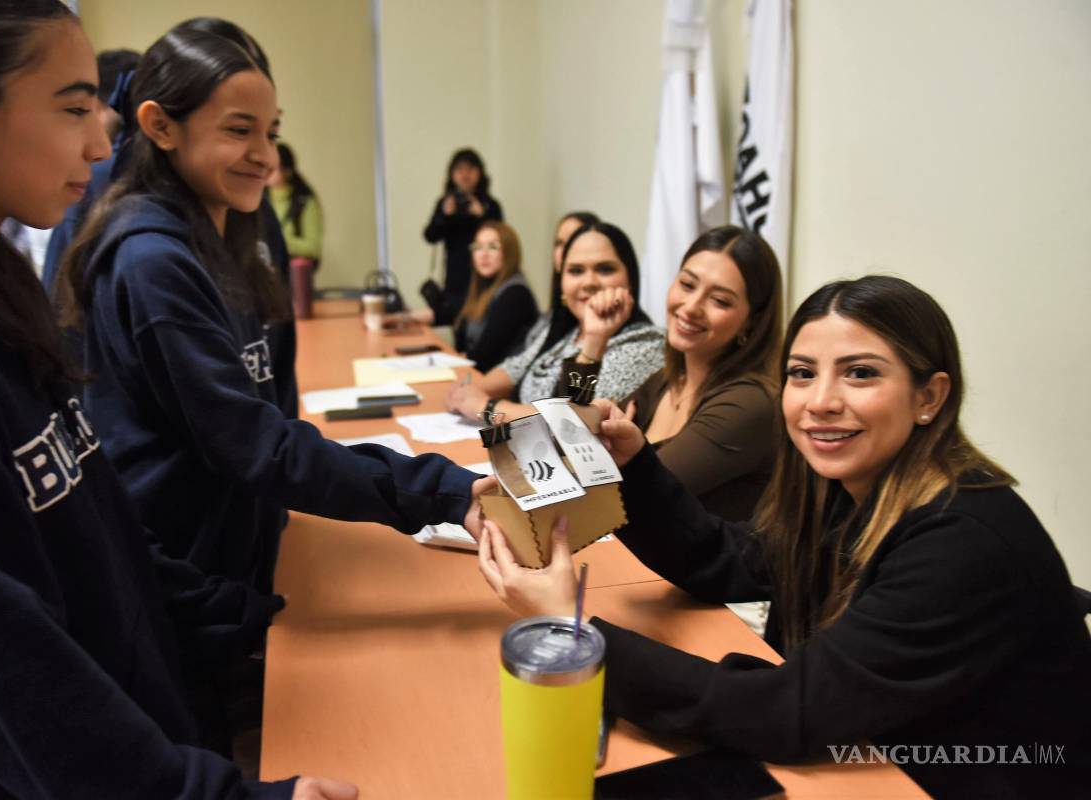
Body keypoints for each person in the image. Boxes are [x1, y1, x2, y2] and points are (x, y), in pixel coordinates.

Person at [0, 1, 352, 796]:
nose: (101, 144)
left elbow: (100, 533)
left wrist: (240, 616)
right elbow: (6, 668)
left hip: (150, 709)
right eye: (73, 109)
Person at [478, 275, 1091, 798]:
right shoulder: (856, 486)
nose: (821, 401)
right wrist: (635, 464)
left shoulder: (964, 540)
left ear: (928, 396)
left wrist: (574, 629)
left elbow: (787, 713)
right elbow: (728, 558)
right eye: (802, 373)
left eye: (860, 373)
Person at [55, 20, 491, 735]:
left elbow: (271, 409)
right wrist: (440, 490)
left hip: (241, 552)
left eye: (271, 131)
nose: (264, 156)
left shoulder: (227, 229)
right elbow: (256, 443)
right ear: (161, 126)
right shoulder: (151, 260)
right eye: (238, 131)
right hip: (190, 578)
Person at [626, 225, 783, 521]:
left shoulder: (748, 404)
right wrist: (595, 343)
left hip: (683, 566)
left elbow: (636, 495)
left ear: (752, 322)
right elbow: (579, 433)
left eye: (720, 301)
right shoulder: (667, 379)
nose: (692, 307)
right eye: (687, 284)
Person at [445, 220, 663, 424]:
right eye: (576, 271)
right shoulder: (567, 331)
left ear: (631, 279)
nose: (589, 282)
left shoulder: (645, 343)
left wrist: (487, 407)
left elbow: (572, 421)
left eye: (605, 269)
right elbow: (516, 367)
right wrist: (464, 394)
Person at [420, 148, 503, 326]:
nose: (465, 174)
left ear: (480, 173)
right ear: (452, 174)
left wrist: (482, 215)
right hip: (455, 276)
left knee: (481, 322)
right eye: (459, 169)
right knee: (456, 322)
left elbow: (503, 239)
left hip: (484, 276)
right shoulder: (446, 203)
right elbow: (430, 236)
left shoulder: (490, 204)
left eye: (470, 169)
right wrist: (444, 215)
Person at [452, 221, 538, 373]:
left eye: (493, 247)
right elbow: (461, 342)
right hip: (478, 375)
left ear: (509, 252)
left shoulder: (515, 294)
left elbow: (486, 357)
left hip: (502, 384)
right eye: (478, 247)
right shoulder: (480, 289)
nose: (483, 254)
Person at [267, 142, 322, 270]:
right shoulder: (258, 198)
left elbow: (313, 248)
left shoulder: (304, 201)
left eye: (274, 168)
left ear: (287, 171)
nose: (267, 172)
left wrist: (281, 240)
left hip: (293, 273)